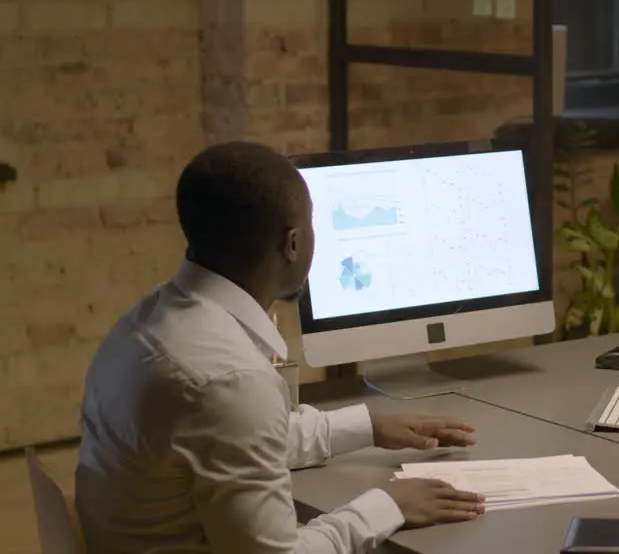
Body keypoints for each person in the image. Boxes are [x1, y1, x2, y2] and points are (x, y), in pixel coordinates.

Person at [76, 141, 486, 553]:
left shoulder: (147, 321)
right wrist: (387, 506)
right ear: (292, 244)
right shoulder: (230, 380)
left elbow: (232, 438)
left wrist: (367, 427)